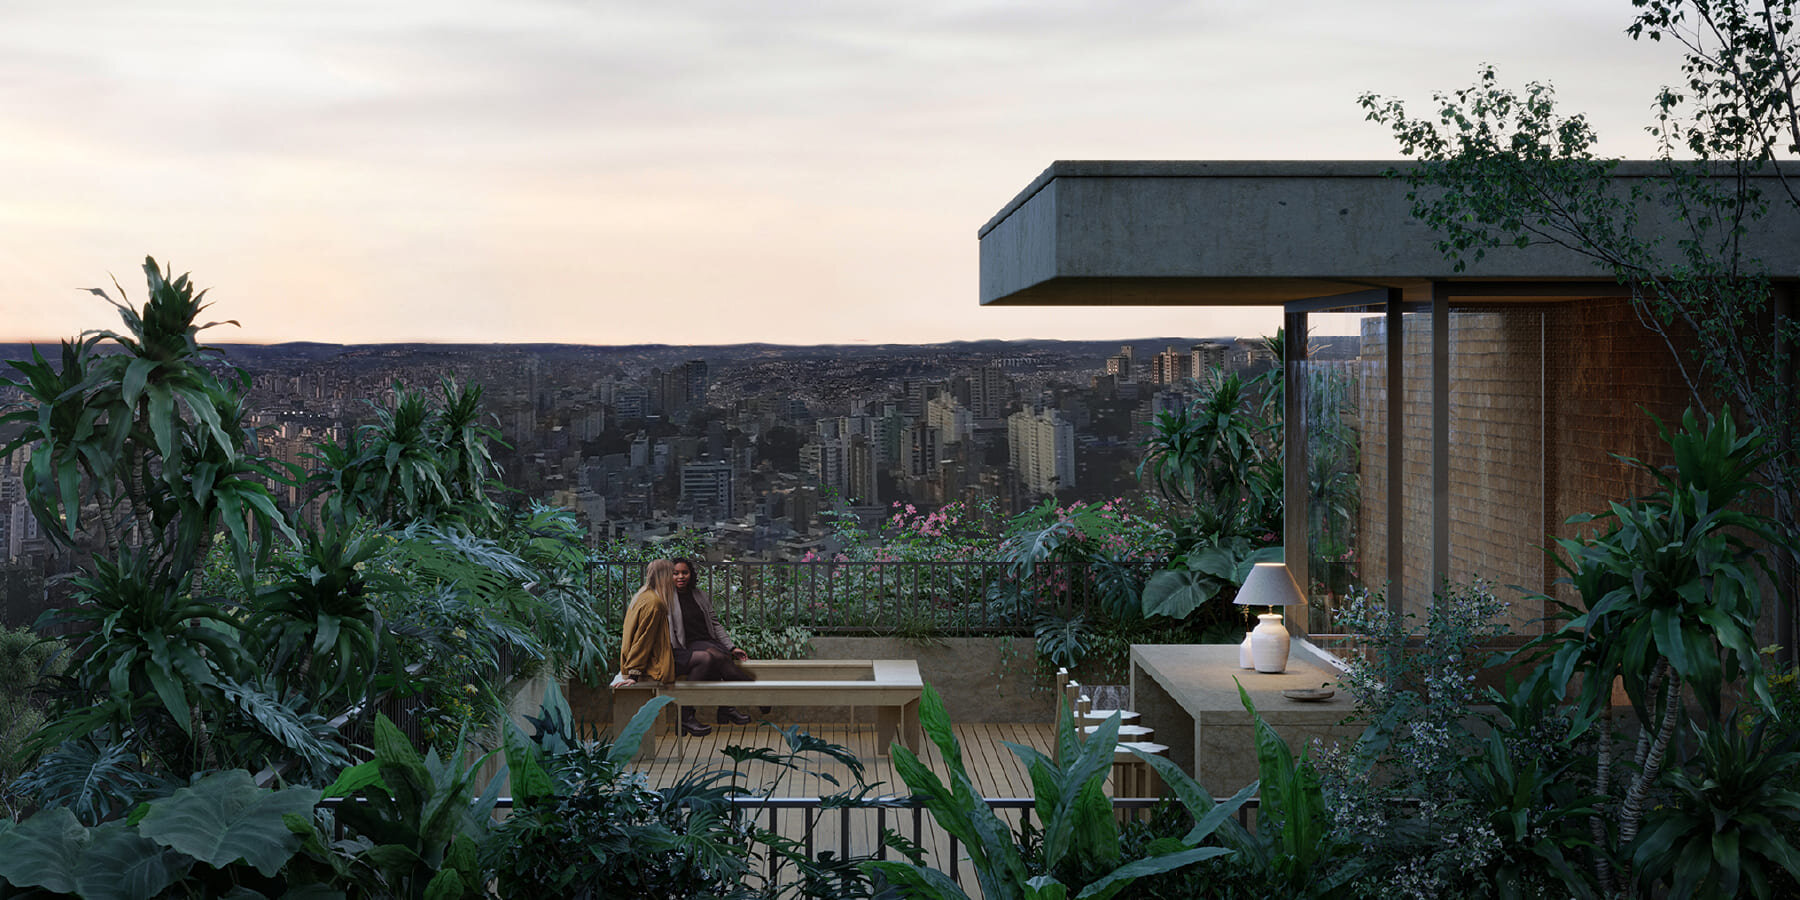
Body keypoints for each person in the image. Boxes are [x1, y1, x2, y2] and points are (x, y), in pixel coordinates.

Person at [670, 556, 755, 728]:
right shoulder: (666, 599)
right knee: (717, 656)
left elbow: (715, 623)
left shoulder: (699, 595)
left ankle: (723, 708)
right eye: (675, 573)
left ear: (690, 574)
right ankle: (749, 696)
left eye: (684, 572)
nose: (680, 577)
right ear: (668, 576)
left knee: (720, 655)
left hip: (707, 642)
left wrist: (732, 647)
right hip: (685, 647)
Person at [618, 559, 677, 689]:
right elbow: (643, 639)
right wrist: (634, 673)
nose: (675, 578)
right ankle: (686, 707)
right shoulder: (655, 604)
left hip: (635, 660)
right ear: (665, 576)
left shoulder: (642, 595)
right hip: (650, 664)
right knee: (704, 660)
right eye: (673, 574)